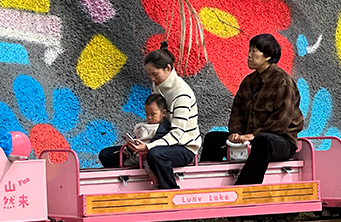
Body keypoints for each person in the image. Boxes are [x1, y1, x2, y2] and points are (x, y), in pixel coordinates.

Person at [200, 34, 303, 185]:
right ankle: (206, 186)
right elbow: (237, 112)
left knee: (263, 141)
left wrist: (253, 135)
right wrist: (236, 133)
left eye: (254, 51)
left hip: (280, 141)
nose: (249, 55)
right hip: (249, 139)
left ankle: (243, 190)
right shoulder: (248, 82)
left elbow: (281, 120)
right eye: (250, 50)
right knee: (212, 139)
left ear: (267, 56)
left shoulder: (282, 81)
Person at [124, 42, 202, 189]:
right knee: (108, 154)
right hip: (161, 140)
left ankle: (170, 190)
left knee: (155, 154)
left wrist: (148, 146)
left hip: (184, 147)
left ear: (168, 68)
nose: (153, 79)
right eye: (150, 75)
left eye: (155, 74)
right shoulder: (158, 86)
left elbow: (177, 134)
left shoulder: (182, 94)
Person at [98, 94, 171, 167]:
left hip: (145, 155)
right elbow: (137, 138)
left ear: (164, 113)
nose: (149, 117)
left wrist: (145, 148)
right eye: (147, 114)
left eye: (153, 114)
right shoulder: (143, 126)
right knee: (105, 154)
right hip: (133, 153)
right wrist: (129, 147)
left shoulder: (163, 127)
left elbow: (157, 142)